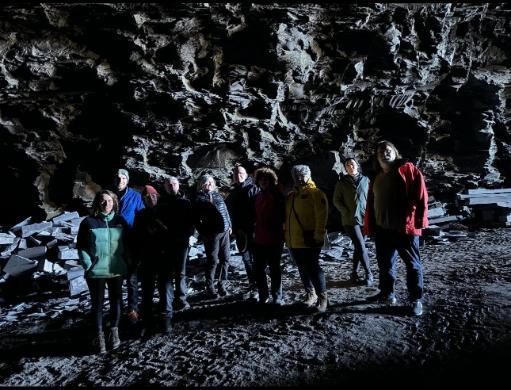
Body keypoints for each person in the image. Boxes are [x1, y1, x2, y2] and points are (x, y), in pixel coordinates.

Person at [364, 140, 428, 316]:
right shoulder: (377, 177)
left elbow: (421, 195)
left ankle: (416, 300)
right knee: (385, 265)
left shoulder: (408, 169)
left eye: (389, 149)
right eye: (381, 151)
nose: (385, 152)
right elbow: (371, 203)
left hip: (404, 229)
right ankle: (387, 294)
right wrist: (370, 226)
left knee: (412, 265)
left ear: (395, 152)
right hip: (383, 229)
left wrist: (419, 221)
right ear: (377, 157)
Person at [77, 190, 130, 353]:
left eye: (109, 200)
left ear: (114, 202)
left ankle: (114, 332)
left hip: (116, 269)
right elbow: (81, 246)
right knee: (97, 304)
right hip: (96, 271)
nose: (106, 204)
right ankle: (99, 336)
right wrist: (88, 265)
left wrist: (127, 263)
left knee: (116, 302)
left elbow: (128, 244)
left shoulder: (120, 221)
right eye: (103, 201)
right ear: (97, 203)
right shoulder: (88, 222)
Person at [285, 165, 329, 312]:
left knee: (313, 268)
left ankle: (323, 298)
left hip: (310, 239)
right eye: (296, 175)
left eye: (302, 174)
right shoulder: (291, 196)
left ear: (309, 175)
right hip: (294, 240)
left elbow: (321, 216)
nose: (299, 177)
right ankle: (311, 294)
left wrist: (318, 235)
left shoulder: (315, 193)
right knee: (302, 268)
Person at [133, 185, 173, 337]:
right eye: (148, 197)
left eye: (153, 196)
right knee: (147, 289)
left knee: (165, 288)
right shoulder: (141, 215)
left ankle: (166, 318)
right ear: (144, 200)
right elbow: (137, 236)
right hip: (147, 256)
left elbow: (172, 233)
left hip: (164, 255)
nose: (151, 198)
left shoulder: (166, 212)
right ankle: (147, 319)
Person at [333, 157, 374, 286]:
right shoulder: (341, 183)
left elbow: (372, 198)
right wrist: (345, 211)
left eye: (352, 164)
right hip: (350, 220)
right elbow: (336, 200)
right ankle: (369, 274)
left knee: (358, 247)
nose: (350, 167)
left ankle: (354, 273)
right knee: (361, 246)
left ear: (357, 165)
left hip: (365, 219)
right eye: (347, 165)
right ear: (345, 169)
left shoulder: (366, 181)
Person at [193, 174, 232, 298]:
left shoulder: (218, 195)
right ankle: (210, 287)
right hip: (211, 234)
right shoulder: (198, 199)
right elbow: (195, 220)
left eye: (211, 182)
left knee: (225, 258)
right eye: (206, 183)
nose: (209, 185)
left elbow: (225, 210)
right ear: (201, 184)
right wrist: (203, 232)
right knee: (213, 261)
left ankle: (222, 284)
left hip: (224, 231)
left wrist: (229, 225)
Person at [114, 168, 145, 325]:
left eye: (123, 179)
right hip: (112, 243)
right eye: (118, 178)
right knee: (116, 278)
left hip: (130, 241)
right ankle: (117, 310)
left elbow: (142, 216)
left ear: (127, 181)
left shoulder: (135, 196)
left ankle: (132, 309)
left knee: (132, 278)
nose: (120, 181)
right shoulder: (108, 195)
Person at [225, 164, 260, 300]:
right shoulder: (233, 193)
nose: (237, 176)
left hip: (254, 231)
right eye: (235, 174)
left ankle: (259, 286)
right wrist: (232, 228)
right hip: (240, 233)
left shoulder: (254, 189)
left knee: (257, 260)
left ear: (247, 175)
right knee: (246, 260)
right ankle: (253, 284)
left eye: (240, 173)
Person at [160, 176, 194, 311]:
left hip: (182, 241)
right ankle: (168, 301)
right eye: (168, 184)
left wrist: (192, 235)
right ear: (165, 187)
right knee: (167, 272)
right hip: (167, 242)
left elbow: (192, 220)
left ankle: (181, 299)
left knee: (180, 272)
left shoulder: (186, 202)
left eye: (174, 183)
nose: (172, 186)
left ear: (178, 185)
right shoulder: (162, 204)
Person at [252, 167, 285, 305]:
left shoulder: (277, 196)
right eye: (261, 179)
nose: (264, 182)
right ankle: (263, 295)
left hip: (274, 238)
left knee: (274, 268)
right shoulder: (257, 197)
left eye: (266, 179)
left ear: (271, 181)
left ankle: (277, 296)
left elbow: (282, 216)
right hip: (259, 238)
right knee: (258, 269)